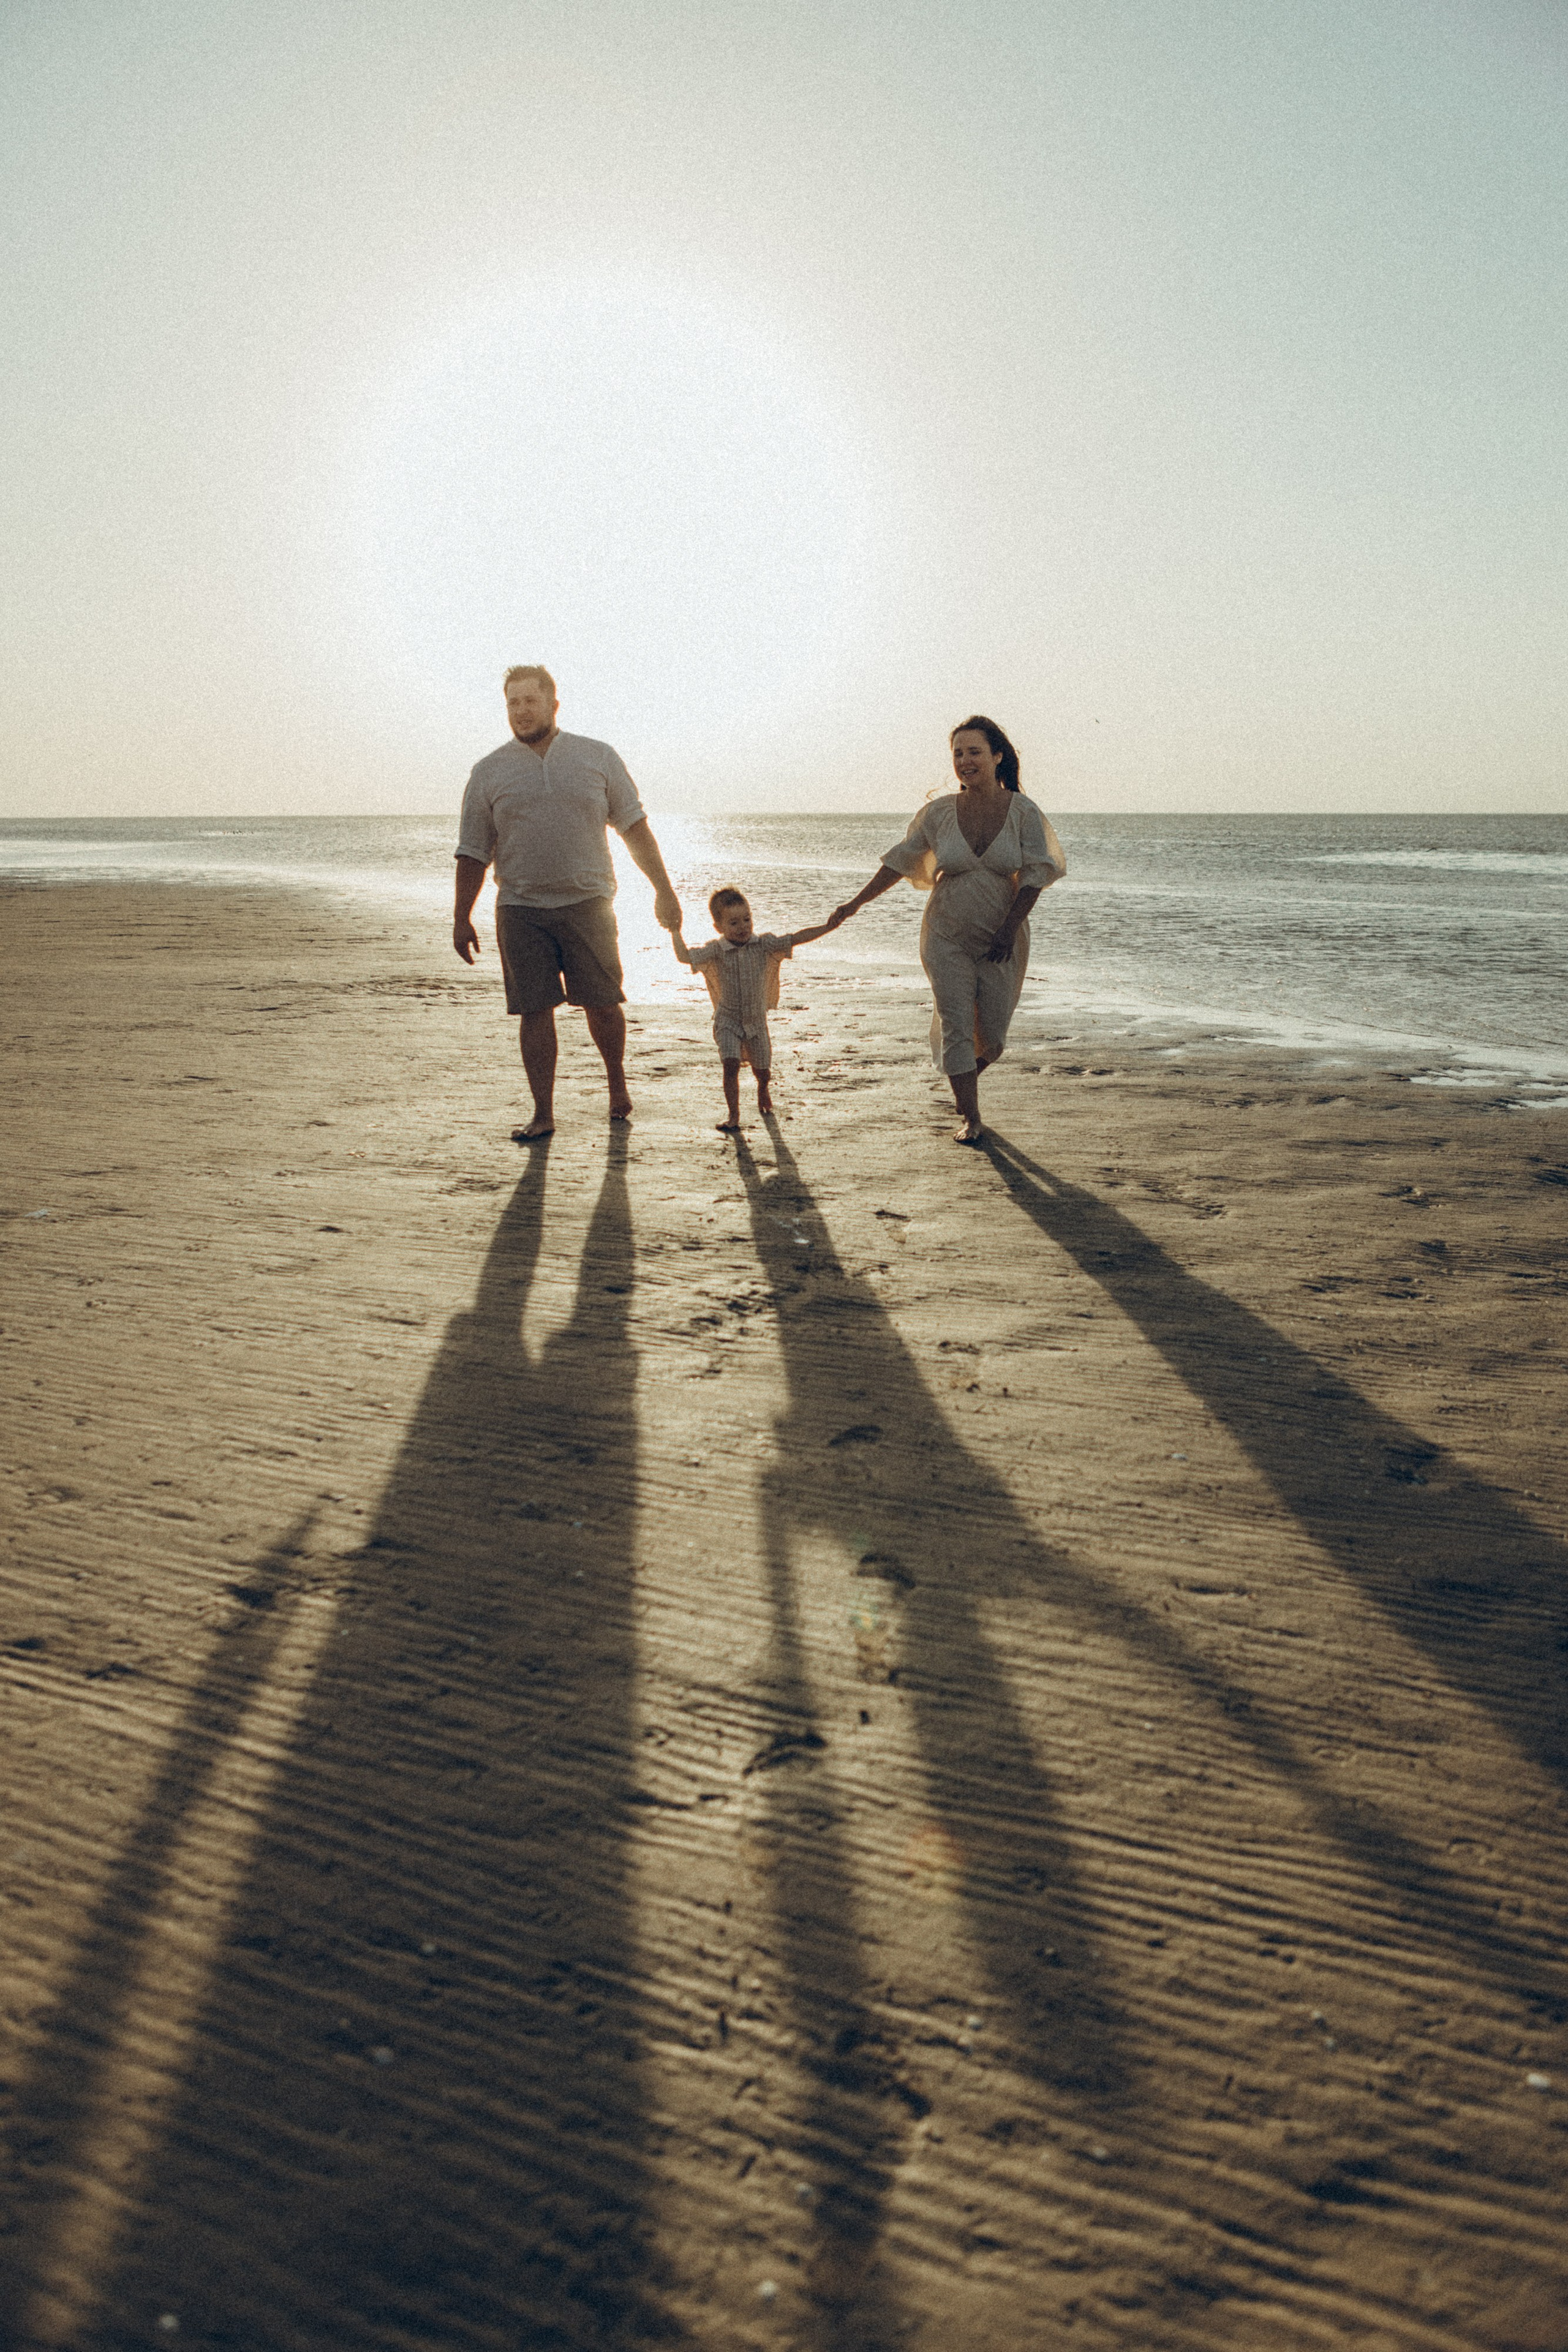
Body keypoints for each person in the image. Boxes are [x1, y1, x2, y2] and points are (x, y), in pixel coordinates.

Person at [453, 666, 683, 1139]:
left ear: (553, 705)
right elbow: (473, 850)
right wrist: (461, 916)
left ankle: (617, 1084)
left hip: (589, 903)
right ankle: (543, 1112)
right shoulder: (489, 771)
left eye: (529, 701)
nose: (520, 711)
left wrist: (663, 889)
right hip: (520, 908)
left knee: (602, 1004)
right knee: (534, 1010)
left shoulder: (596, 757)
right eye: (512, 703)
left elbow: (634, 828)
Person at [832, 715, 1066, 1144]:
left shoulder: (1023, 812)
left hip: (1003, 934)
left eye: (974, 751)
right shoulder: (939, 813)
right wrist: (854, 904)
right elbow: (899, 861)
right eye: (958, 754)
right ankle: (972, 1117)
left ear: (997, 756)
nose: (964, 761)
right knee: (957, 1023)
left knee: (992, 1036)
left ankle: (964, 1080)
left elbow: (1036, 874)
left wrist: (1008, 929)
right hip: (946, 934)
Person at [671, 888, 845, 1131]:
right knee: (730, 1064)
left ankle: (763, 1090)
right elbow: (684, 957)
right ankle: (734, 1116)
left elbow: (796, 938)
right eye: (733, 922)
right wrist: (674, 930)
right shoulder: (716, 950)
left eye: (747, 919)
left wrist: (828, 927)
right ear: (718, 927)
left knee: (762, 1070)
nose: (743, 926)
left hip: (756, 1022)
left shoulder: (764, 945)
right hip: (727, 1019)